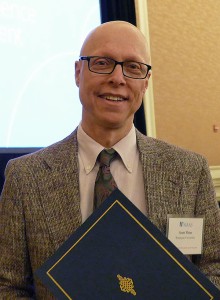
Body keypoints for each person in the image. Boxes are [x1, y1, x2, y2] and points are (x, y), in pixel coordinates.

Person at [0, 21, 220, 298]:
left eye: (133, 67)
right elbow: (7, 285)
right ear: (78, 73)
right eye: (102, 63)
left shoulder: (189, 171)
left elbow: (214, 267)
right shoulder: (26, 177)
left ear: (145, 83)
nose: (118, 78)